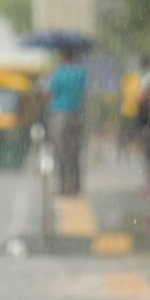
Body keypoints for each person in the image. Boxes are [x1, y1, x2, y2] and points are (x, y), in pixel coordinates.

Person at [46, 48, 87, 196]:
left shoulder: (57, 74)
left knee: (60, 151)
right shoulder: (81, 73)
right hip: (77, 114)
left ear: (62, 57)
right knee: (75, 152)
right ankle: (75, 186)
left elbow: (49, 93)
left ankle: (63, 186)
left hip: (59, 115)